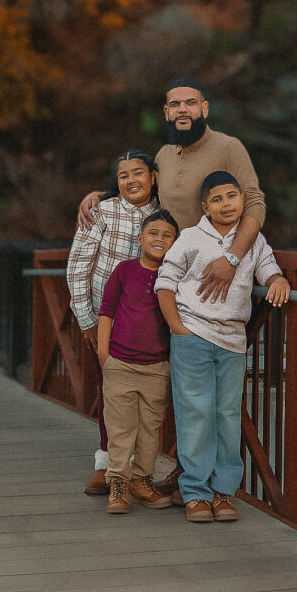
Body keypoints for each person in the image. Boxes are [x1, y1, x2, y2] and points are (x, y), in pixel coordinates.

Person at [77, 79, 268, 497]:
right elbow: (143, 192)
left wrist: (233, 257)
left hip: (212, 290)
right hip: (161, 285)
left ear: (204, 107)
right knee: (142, 376)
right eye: (174, 104)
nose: (183, 109)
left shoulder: (229, 148)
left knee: (205, 396)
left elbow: (254, 203)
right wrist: (102, 194)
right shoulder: (165, 154)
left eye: (190, 103)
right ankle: (125, 467)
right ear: (166, 112)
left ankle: (201, 481)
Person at [155, 171, 290, 523]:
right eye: (217, 199)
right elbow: (164, 283)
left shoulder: (252, 241)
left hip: (232, 341)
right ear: (205, 207)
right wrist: (179, 330)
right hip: (193, 336)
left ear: (242, 200)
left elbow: (268, 269)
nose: (226, 204)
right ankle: (196, 493)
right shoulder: (190, 238)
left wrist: (277, 280)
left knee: (227, 417)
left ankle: (223, 491)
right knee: (195, 414)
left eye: (232, 196)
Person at [67, 150, 159, 495]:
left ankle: (139, 470)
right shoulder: (102, 212)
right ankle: (106, 465)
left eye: (139, 173)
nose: (132, 180)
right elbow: (77, 267)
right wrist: (87, 320)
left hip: (152, 322)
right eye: (123, 176)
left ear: (153, 177)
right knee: (110, 392)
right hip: (106, 320)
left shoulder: (164, 215)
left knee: (149, 395)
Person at [97, 209, 180, 514]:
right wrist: (104, 355)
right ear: (141, 237)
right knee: (120, 427)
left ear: (175, 242)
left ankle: (141, 479)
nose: (160, 239)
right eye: (154, 233)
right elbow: (106, 310)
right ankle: (117, 482)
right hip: (120, 363)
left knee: (150, 428)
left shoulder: (174, 275)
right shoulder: (125, 270)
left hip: (158, 366)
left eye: (167, 235)